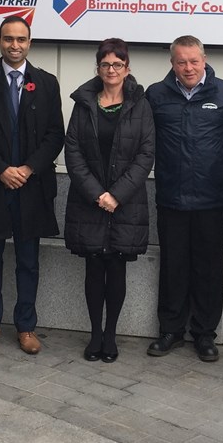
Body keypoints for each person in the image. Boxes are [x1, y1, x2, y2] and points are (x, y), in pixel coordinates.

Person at [0, 17, 65, 355]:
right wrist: (2, 169)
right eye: (8, 39)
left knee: (28, 261)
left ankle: (26, 327)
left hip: (31, 186)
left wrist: (29, 168)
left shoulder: (47, 83)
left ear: (30, 42)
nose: (15, 45)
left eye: (21, 39)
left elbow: (55, 134)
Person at [145, 35, 223, 362]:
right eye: (181, 61)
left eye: (194, 61)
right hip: (170, 197)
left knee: (209, 269)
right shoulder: (156, 95)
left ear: (204, 59)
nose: (188, 67)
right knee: (173, 267)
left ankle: (204, 334)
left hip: (212, 199)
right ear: (172, 63)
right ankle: (170, 330)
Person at [63, 39, 155, 363]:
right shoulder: (84, 103)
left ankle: (111, 335)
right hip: (89, 201)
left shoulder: (140, 104)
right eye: (106, 65)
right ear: (98, 68)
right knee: (93, 266)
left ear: (127, 69)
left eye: (118, 64)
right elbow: (72, 152)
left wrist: (116, 195)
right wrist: (97, 194)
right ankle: (95, 335)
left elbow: (146, 154)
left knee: (116, 268)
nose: (111, 70)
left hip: (125, 203)